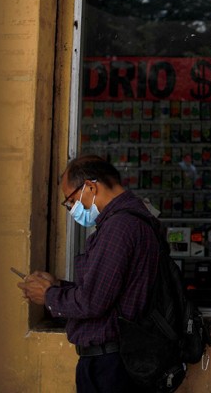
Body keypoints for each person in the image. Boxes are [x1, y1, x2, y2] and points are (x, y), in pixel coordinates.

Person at [17, 155, 161, 392]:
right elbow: (108, 292)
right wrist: (58, 287)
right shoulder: (130, 220)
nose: (72, 209)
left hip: (112, 365)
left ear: (91, 187)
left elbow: (92, 302)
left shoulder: (120, 227)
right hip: (118, 360)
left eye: (70, 201)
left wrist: (49, 295)